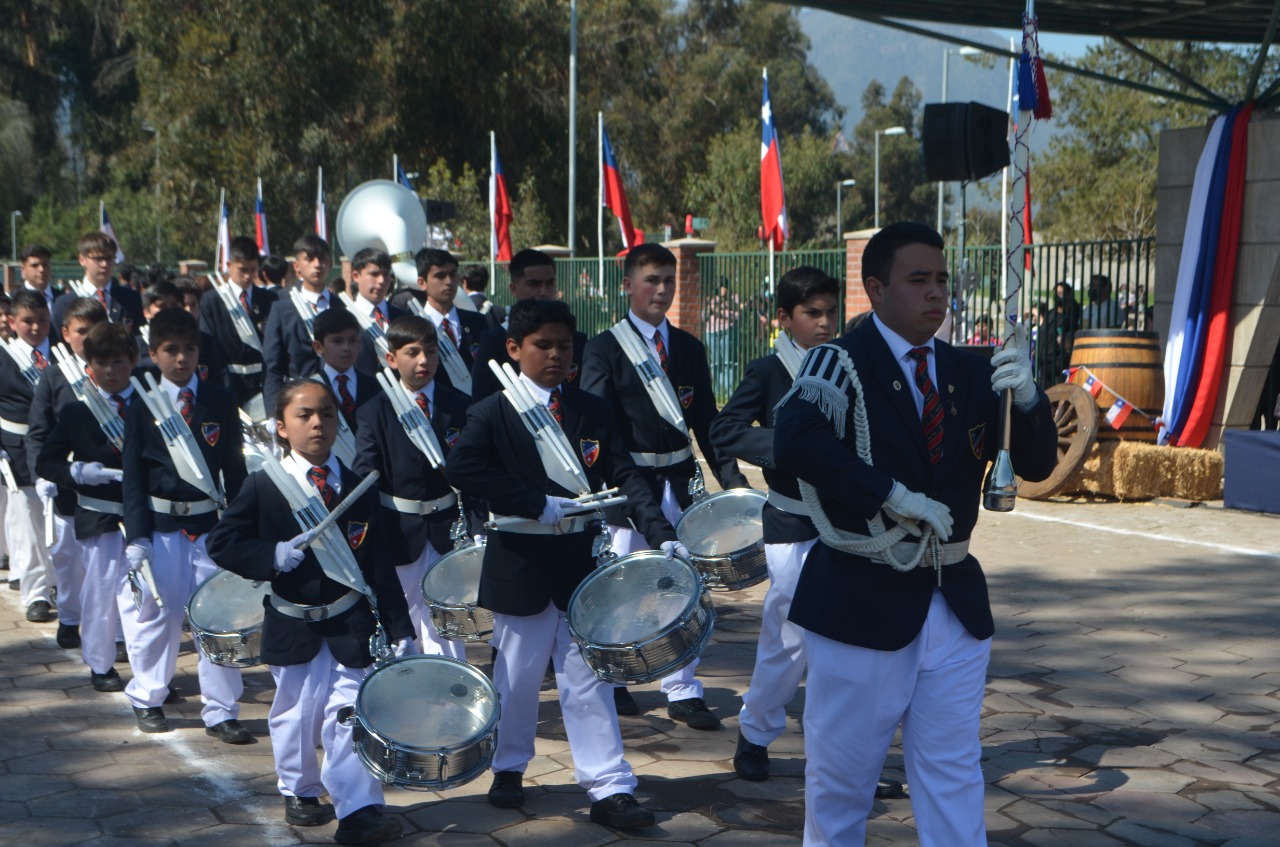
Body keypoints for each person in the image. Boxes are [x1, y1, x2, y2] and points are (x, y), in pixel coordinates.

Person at [772, 222, 1057, 847]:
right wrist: (889, 495)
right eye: (918, 280)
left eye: (942, 280)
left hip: (951, 599)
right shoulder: (840, 361)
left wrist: (1030, 400)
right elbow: (794, 439)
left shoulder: (968, 368)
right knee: (842, 784)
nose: (936, 294)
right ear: (875, 288)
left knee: (953, 772)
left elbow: (1035, 466)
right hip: (860, 600)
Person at [449, 298, 679, 829]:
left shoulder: (590, 409)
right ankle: (508, 766)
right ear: (514, 349)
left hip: (580, 565)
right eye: (542, 345)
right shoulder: (493, 410)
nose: (555, 356)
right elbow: (463, 468)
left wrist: (662, 531)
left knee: (587, 678)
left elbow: (623, 475)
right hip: (521, 563)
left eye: (564, 346)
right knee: (517, 676)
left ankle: (608, 786)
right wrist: (532, 502)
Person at [207, 380, 412, 845]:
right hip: (293, 622)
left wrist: (401, 626)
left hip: (350, 621)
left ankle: (358, 808)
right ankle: (299, 789)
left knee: (348, 713)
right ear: (281, 427)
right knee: (295, 715)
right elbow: (223, 542)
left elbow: (378, 562)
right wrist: (271, 554)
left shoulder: (358, 485)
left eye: (326, 414)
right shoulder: (266, 484)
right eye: (304, 415)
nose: (317, 423)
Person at [579, 242, 748, 728]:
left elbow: (707, 424)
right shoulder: (605, 348)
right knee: (620, 589)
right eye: (651, 280)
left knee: (682, 586)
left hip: (679, 482)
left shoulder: (690, 348)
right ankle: (613, 679)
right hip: (626, 487)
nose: (661, 289)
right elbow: (598, 426)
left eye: (669, 281)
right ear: (627, 284)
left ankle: (681, 685)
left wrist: (733, 488)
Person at [121, 308, 250, 741]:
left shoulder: (219, 399)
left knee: (217, 618)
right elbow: (134, 477)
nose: (181, 359)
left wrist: (242, 529)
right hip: (161, 529)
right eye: (171, 350)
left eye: (189, 349)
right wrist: (136, 535)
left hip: (209, 528)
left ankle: (221, 710)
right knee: (159, 616)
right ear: (153, 354)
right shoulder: (143, 404)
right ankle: (148, 695)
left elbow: (234, 471)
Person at [354, 315, 470, 657]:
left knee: (448, 617)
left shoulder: (458, 405)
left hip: (448, 527)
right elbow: (366, 474)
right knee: (402, 619)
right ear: (391, 359)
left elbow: (473, 470)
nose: (423, 361)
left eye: (431, 352)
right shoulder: (375, 411)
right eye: (413, 352)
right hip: (398, 529)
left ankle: (450, 693)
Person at [37, 321, 140, 692]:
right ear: (88, 367)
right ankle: (100, 663)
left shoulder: (151, 407)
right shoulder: (78, 412)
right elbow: (46, 461)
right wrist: (76, 471)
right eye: (101, 362)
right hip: (98, 515)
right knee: (100, 592)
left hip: (145, 514)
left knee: (144, 598)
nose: (111, 370)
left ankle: (148, 672)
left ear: (134, 361)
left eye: (119, 361)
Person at [26, 296, 110, 648]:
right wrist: (42, 474)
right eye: (80, 331)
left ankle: (111, 630)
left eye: (95, 330)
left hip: (107, 483)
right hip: (65, 479)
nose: (87, 336)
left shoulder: (114, 371)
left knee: (106, 564)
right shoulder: (55, 374)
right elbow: (38, 431)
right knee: (67, 556)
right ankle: (70, 617)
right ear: (65, 333)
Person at [0, 289, 57, 622]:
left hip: (59, 450)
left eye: (42, 321)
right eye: (27, 321)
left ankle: (59, 585)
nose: (36, 327)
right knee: (29, 526)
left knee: (60, 529)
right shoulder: (5, 357)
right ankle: (36, 593)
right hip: (18, 453)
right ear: (12, 321)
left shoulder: (61, 356)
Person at [469, 249, 587, 400]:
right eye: (534, 284)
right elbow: (482, 400)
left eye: (549, 283)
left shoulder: (576, 340)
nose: (543, 292)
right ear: (513, 289)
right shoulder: (494, 341)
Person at [262, 234, 342, 415]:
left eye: (322, 259)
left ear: (329, 264)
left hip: (335, 401)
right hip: (296, 399)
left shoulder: (342, 307)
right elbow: (272, 365)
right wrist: (274, 414)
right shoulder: (282, 307)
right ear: (297, 266)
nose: (317, 264)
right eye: (309, 259)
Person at [200, 235, 278, 416]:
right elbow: (210, 348)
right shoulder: (212, 301)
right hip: (227, 382)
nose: (248, 276)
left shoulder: (270, 299)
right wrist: (224, 387)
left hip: (263, 382)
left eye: (253, 269)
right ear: (229, 266)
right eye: (242, 269)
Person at [405, 248, 486, 393]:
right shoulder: (411, 326)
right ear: (422, 282)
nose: (449, 282)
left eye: (453, 274)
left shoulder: (478, 321)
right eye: (440, 275)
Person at [54, 231, 144, 331]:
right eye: (98, 258)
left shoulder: (131, 299)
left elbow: (139, 339)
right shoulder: (65, 303)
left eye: (109, 258)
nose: (104, 264)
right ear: (82, 260)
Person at [344, 248, 407, 377]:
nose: (381, 281)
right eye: (374, 274)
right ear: (356, 276)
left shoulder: (404, 318)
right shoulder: (343, 319)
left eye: (386, 274)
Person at [1036, 280, 1081, 385]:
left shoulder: (1075, 312)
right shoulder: (1051, 313)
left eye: (1061, 293)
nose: (1058, 296)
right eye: (1056, 293)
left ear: (1069, 295)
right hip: (1044, 362)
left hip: (1059, 363)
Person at [18, 244, 58, 310]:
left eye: (45, 265)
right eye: (35, 265)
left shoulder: (63, 300)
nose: (41, 269)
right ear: (23, 270)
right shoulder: (13, 299)